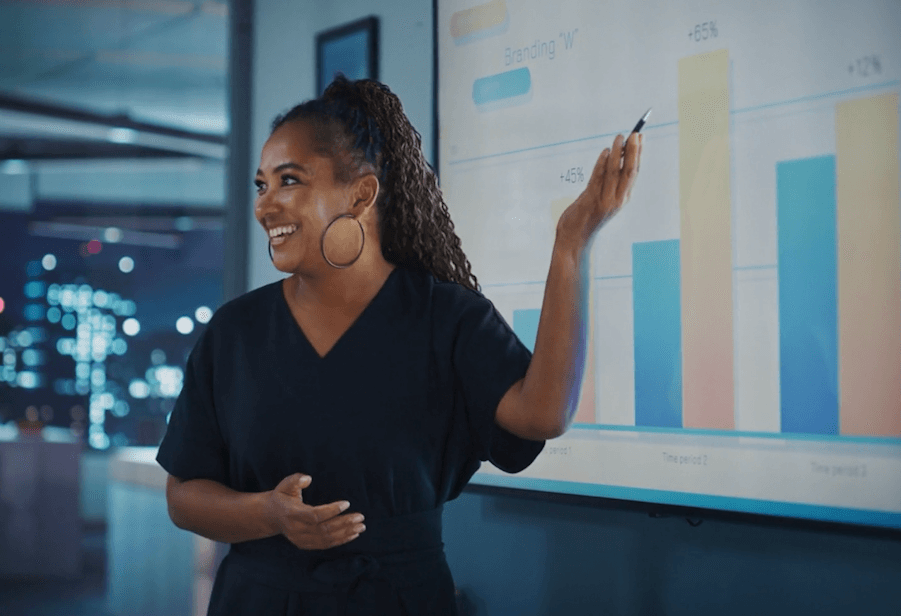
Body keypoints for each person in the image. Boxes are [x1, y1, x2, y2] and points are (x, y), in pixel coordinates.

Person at [156, 74, 642, 615]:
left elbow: (543, 414)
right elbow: (184, 495)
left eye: (288, 181)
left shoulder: (446, 317)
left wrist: (571, 244)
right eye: (260, 185)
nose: (265, 206)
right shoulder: (235, 332)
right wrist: (269, 515)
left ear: (361, 193)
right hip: (260, 600)